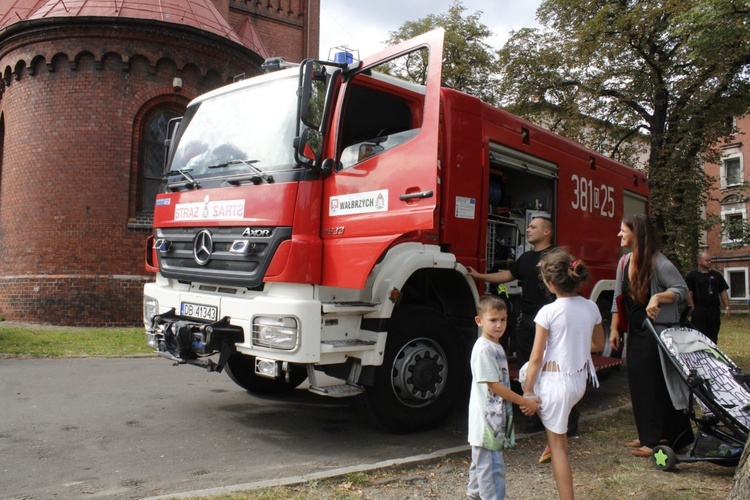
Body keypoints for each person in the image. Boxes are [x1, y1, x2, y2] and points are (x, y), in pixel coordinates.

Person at [609, 213, 694, 458]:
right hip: (635, 331)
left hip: (656, 333)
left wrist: (657, 297)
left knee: (653, 383)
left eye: (623, 231)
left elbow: (680, 290)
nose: (619, 235)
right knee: (638, 383)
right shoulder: (624, 262)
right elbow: (618, 298)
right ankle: (646, 433)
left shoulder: (659, 262)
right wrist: (615, 328)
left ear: (637, 234)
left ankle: (657, 438)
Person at [522, 248, 604, 500]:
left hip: (554, 384)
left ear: (548, 282)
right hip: (577, 382)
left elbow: (536, 357)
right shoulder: (591, 307)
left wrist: (527, 391)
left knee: (559, 449)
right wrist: (575, 345)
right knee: (558, 435)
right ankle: (554, 435)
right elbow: (598, 345)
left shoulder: (547, 312)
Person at [468, 295, 540, 500]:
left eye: (503, 319)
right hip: (486, 425)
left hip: (492, 422)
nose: (499, 325)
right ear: (479, 321)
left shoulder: (496, 347)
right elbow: (494, 385)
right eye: (493, 320)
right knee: (492, 470)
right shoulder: (484, 349)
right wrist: (524, 401)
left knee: (480, 469)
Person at [467, 216, 555, 369]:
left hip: (551, 320)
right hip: (527, 319)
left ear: (547, 231)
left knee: (549, 362)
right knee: (526, 364)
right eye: (528, 227)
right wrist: (480, 276)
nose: (528, 230)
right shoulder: (525, 257)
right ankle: (527, 392)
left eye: (533, 227)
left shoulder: (556, 256)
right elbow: (508, 275)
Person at [685, 252, 731, 343]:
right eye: (707, 260)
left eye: (710, 260)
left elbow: (723, 291)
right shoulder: (692, 276)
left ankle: (713, 353)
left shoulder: (717, 275)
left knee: (713, 335)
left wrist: (727, 307)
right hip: (699, 310)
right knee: (699, 335)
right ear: (699, 261)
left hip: (713, 310)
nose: (709, 262)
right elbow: (688, 292)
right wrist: (692, 306)